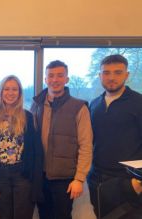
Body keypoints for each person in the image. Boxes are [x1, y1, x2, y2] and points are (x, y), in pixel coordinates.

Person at [30, 60, 93, 219]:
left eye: (60, 75)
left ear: (67, 79)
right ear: (45, 79)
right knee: (43, 215)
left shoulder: (79, 108)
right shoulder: (36, 105)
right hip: (40, 176)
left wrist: (79, 178)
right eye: (51, 76)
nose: (55, 80)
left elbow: (86, 145)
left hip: (64, 179)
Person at [88, 54, 142, 218]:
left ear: (127, 75)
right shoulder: (94, 104)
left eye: (118, 72)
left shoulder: (138, 103)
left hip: (128, 181)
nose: (111, 77)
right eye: (106, 72)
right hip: (98, 179)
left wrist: (138, 182)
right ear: (99, 76)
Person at [0, 75, 43, 219]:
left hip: (23, 176)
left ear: (20, 93)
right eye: (7, 89)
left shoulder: (28, 117)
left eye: (14, 89)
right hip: (0, 176)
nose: (10, 93)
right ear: (1, 92)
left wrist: (36, 185)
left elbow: (37, 153)